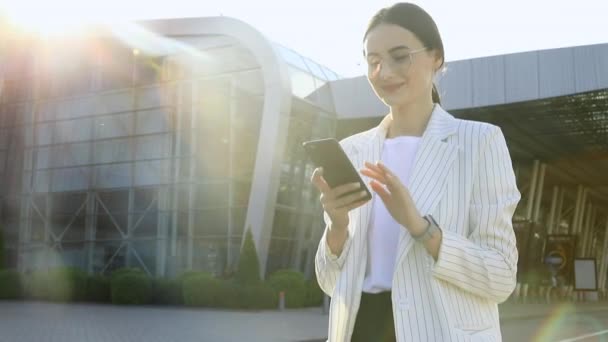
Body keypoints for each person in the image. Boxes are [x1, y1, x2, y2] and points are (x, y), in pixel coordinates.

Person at [311, 3, 521, 341]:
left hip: (441, 331)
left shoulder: (479, 142)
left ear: (436, 57)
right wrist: (336, 228)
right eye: (373, 61)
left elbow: (500, 277)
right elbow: (329, 281)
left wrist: (421, 229)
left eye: (399, 56)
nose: (384, 72)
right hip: (359, 329)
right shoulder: (353, 151)